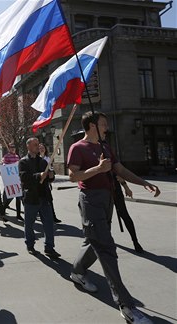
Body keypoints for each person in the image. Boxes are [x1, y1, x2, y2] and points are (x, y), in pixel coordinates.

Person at [67, 111, 160, 324]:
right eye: (103, 124)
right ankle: (126, 306)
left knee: (94, 240)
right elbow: (73, 176)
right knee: (107, 248)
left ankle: (77, 271)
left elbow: (120, 170)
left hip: (107, 199)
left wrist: (143, 182)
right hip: (90, 200)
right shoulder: (77, 148)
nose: (106, 128)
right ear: (91, 126)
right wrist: (98, 168)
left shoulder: (105, 147)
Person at [19, 138, 60, 258]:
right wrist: (39, 176)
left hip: (44, 197)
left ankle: (49, 248)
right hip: (31, 198)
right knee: (29, 224)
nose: (38, 146)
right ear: (28, 147)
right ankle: (30, 245)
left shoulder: (43, 161)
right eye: (35, 145)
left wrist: (51, 176)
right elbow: (24, 178)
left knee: (48, 224)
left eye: (38, 144)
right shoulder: (23, 162)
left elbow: (49, 178)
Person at [114, 174, 144, 253]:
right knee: (104, 217)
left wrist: (126, 188)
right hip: (101, 192)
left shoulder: (111, 162)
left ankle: (135, 241)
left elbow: (119, 175)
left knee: (124, 215)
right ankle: (106, 240)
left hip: (115, 190)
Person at [38, 143, 62, 224]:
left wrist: (51, 174)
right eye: (40, 148)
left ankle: (53, 217)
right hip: (39, 182)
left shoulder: (48, 158)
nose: (42, 149)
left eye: (43, 147)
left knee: (49, 200)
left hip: (46, 182)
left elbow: (51, 170)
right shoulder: (37, 159)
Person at [1, 143, 23, 221]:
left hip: (17, 179)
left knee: (18, 198)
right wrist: (5, 165)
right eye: (11, 147)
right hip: (10, 180)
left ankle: (18, 214)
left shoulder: (17, 156)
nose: (13, 149)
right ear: (9, 148)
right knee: (9, 197)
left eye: (14, 147)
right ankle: (2, 211)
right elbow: (4, 164)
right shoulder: (6, 156)